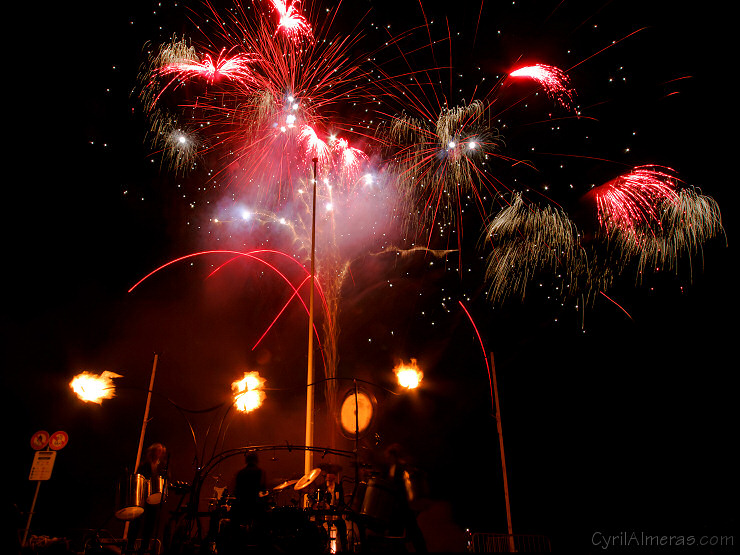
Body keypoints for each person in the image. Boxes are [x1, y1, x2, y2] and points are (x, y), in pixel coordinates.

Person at [384, 443, 427, 552]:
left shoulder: (399, 468)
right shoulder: (396, 467)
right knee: (409, 531)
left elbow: (399, 487)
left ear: (393, 456)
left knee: (407, 531)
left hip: (402, 505)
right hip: (402, 506)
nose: (387, 459)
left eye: (389, 456)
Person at [127, 443, 168, 555]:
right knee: (136, 521)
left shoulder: (162, 466)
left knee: (150, 523)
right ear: (153, 452)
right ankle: (130, 545)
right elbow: (139, 478)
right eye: (158, 450)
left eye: (161, 451)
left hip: (154, 499)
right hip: (142, 497)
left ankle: (144, 547)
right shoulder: (144, 465)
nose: (159, 453)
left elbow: (167, 478)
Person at [231, 451, 267, 527]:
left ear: (246, 460)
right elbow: (263, 489)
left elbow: (235, 490)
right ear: (256, 460)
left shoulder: (240, 473)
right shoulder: (261, 472)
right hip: (255, 506)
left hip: (241, 506)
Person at [315, 471, 348, 552]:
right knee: (318, 527)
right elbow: (317, 502)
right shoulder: (321, 487)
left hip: (335, 512)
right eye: (327, 474)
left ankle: (344, 549)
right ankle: (322, 546)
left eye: (331, 474)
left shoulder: (339, 487)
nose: (329, 476)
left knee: (342, 526)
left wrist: (338, 509)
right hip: (325, 513)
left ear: (335, 476)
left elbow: (342, 502)